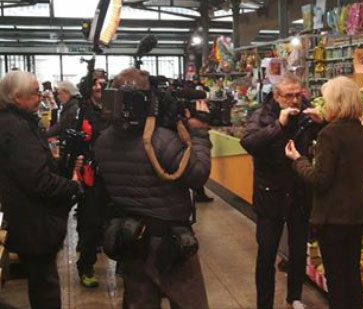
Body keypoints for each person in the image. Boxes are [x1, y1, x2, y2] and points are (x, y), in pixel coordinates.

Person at [94, 67, 211, 308]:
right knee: (190, 301)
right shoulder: (161, 140)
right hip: (169, 241)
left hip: (131, 238)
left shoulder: (104, 139)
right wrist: (198, 134)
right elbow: (197, 175)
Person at [285, 76, 363, 309]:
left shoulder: (329, 135)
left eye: (327, 101)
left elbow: (319, 180)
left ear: (336, 103)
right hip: (357, 216)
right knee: (352, 276)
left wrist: (299, 160)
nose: (325, 106)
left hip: (333, 218)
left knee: (336, 280)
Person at [0, 71, 82, 309]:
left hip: (28, 216)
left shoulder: (17, 122)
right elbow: (37, 180)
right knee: (45, 285)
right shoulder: (17, 129)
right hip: (33, 220)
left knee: (42, 281)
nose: (41, 97)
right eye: (35, 93)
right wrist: (72, 187)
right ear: (17, 98)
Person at [240, 74, 321, 309]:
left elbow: (322, 139)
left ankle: (294, 297)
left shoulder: (307, 111)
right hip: (270, 192)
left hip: (299, 191)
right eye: (289, 96)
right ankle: (264, 304)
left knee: (298, 251)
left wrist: (321, 122)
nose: (295, 100)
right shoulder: (262, 114)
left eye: (298, 94)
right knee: (266, 253)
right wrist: (279, 125)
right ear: (277, 96)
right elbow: (249, 143)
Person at [76, 69, 110, 288]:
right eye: (95, 84)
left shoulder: (113, 109)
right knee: (92, 222)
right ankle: (85, 266)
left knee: (118, 218)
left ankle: (125, 266)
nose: (99, 87)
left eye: (102, 84)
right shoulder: (82, 112)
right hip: (92, 175)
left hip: (114, 173)